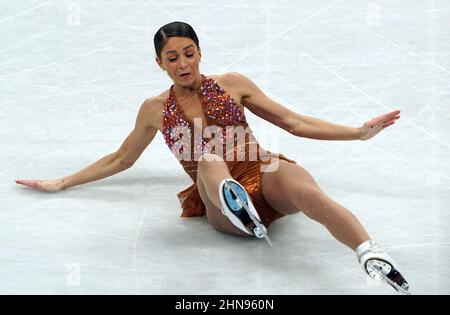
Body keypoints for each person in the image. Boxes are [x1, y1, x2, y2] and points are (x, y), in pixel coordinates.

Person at [15, 21, 409, 294]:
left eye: (189, 53)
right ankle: (235, 203)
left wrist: (357, 133)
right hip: (217, 198)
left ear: (200, 52)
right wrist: (63, 181)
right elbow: (121, 158)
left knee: (304, 188)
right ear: (159, 64)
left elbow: (292, 121)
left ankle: (370, 254)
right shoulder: (154, 109)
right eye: (173, 58)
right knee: (207, 160)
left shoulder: (232, 84)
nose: (183, 63)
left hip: (261, 170)